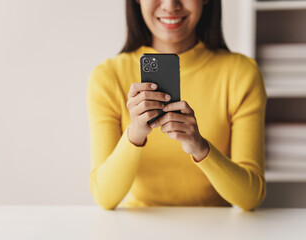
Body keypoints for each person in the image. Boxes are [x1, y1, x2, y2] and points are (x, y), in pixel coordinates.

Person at [86, 0, 267, 211]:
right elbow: (104, 196)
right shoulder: (108, 77)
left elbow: (251, 197)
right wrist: (134, 134)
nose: (171, 5)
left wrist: (200, 148)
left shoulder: (242, 74)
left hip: (217, 229)